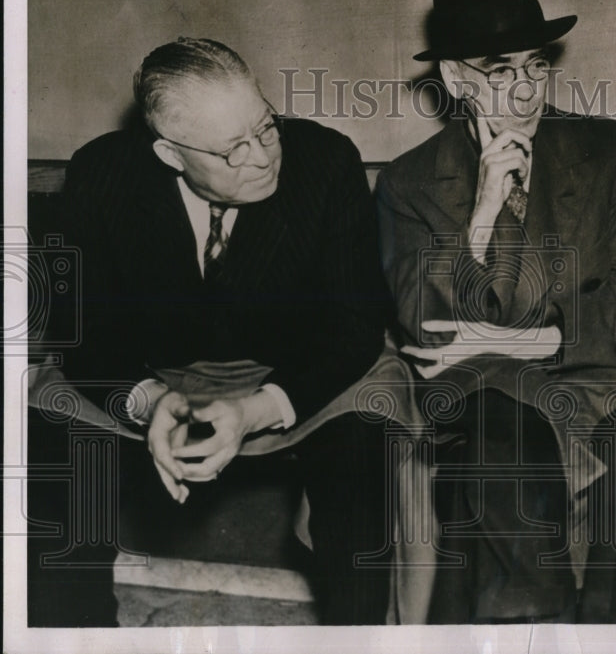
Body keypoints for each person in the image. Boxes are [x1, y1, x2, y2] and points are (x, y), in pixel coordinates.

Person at [28, 38, 394, 626]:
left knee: (363, 453)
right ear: (171, 155)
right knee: (53, 445)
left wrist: (256, 410)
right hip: (150, 374)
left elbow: (354, 326)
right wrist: (147, 400)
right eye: (232, 150)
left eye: (266, 127)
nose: (262, 156)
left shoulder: (327, 161)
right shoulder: (101, 174)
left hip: (293, 376)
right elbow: (83, 331)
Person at [376, 0, 616, 624]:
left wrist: (522, 334)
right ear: (456, 78)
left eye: (536, 64)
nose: (525, 88)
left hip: (591, 378)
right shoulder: (408, 182)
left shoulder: (610, 152)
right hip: (475, 395)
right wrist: (481, 215)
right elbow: (425, 331)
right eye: (499, 69)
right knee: (496, 443)